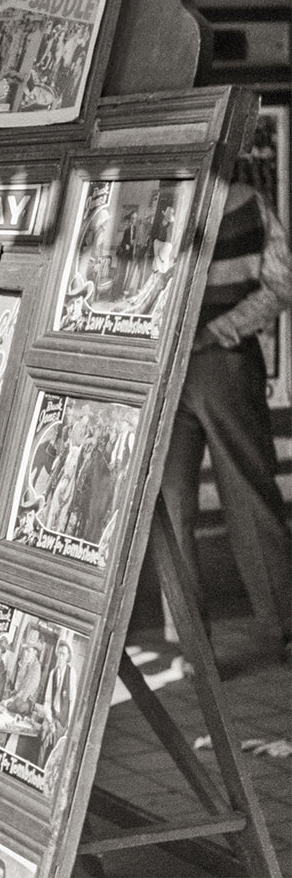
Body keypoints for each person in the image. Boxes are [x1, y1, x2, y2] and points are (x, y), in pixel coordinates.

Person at [146, 179, 292, 662]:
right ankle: (283, 633)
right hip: (223, 361)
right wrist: (220, 329)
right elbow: (280, 284)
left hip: (165, 366)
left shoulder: (151, 200)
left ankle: (194, 652)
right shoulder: (249, 201)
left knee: (172, 506)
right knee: (249, 494)